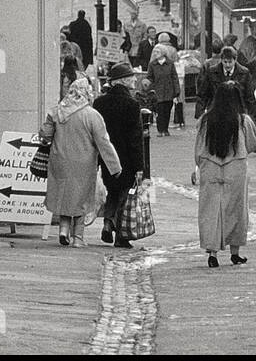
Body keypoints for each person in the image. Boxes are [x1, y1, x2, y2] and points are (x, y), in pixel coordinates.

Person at [41, 77, 122, 248]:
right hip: (83, 163)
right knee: (81, 198)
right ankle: (78, 237)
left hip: (59, 160)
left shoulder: (56, 111)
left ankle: (63, 230)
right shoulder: (92, 115)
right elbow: (103, 142)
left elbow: (46, 135)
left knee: (64, 195)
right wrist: (114, 166)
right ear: (86, 93)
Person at [193, 82, 253, 268]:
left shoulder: (205, 120)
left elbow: (198, 149)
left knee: (211, 210)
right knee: (236, 209)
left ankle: (212, 253)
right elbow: (251, 144)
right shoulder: (243, 121)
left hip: (210, 167)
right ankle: (235, 252)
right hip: (236, 167)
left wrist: (198, 165)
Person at [93, 62, 145, 248]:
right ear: (122, 81)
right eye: (131, 77)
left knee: (112, 191)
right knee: (124, 194)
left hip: (106, 156)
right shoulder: (131, 104)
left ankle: (108, 222)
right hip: (126, 159)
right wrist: (140, 166)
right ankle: (121, 236)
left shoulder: (99, 102)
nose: (134, 79)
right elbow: (135, 138)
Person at [198, 46, 248, 119]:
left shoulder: (244, 73)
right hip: (216, 113)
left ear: (235, 60)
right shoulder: (211, 72)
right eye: (225, 62)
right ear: (221, 60)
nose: (227, 65)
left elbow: (249, 97)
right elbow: (202, 94)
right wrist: (201, 115)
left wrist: (249, 118)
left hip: (237, 114)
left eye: (230, 62)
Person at [146, 45, 180, 136]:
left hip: (169, 91)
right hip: (158, 91)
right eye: (155, 52)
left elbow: (174, 77)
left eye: (157, 52)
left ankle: (165, 129)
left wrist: (177, 90)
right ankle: (160, 130)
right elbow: (149, 77)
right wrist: (149, 87)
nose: (155, 54)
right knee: (159, 111)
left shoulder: (170, 63)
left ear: (163, 53)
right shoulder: (152, 64)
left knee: (167, 110)